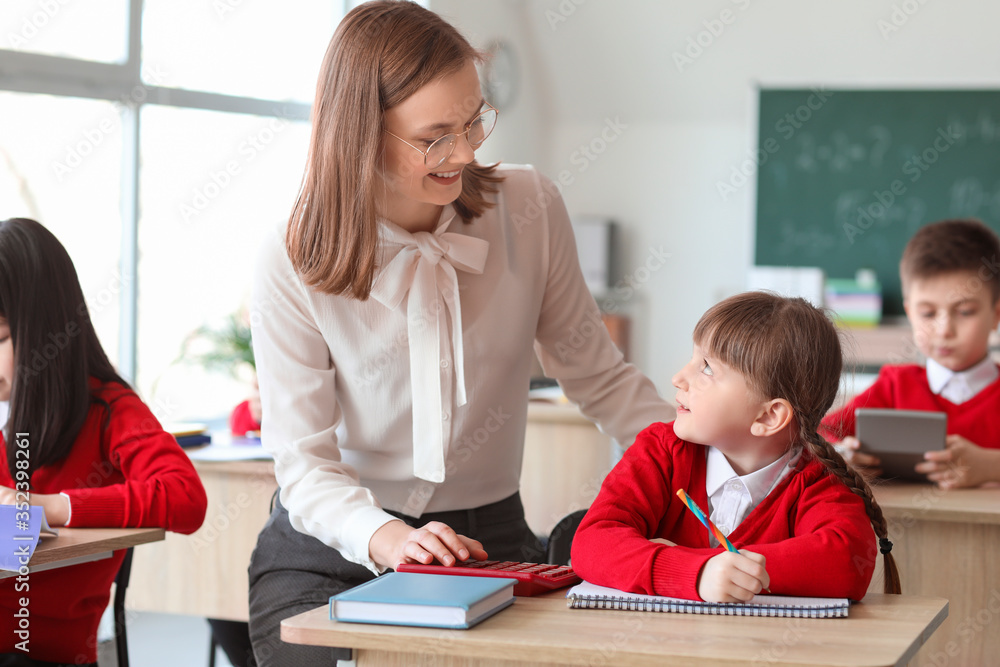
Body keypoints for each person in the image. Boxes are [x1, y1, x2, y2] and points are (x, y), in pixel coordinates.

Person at [247, 1, 672, 663]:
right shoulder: (291, 257)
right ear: (361, 132)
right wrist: (388, 539)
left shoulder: (528, 207)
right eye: (435, 136)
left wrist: (709, 466)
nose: (468, 151)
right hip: (334, 549)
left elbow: (600, 376)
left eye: (475, 120)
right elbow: (304, 466)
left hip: (487, 541)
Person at [571, 292, 900, 603]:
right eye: (693, 358)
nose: (678, 378)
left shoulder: (817, 483)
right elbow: (592, 543)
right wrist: (698, 574)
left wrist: (708, 565)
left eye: (708, 369)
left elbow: (846, 562)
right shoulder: (660, 451)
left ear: (769, 416)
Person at [0, 218, 208, 666]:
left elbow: (185, 497)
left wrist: (49, 506)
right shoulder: (9, 420)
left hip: (40, 655)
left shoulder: (109, 408)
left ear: (42, 331)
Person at [824, 219, 1000, 488]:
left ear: (996, 315)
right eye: (928, 314)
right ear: (910, 313)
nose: (944, 330)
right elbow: (822, 434)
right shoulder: (895, 385)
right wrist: (843, 453)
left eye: (964, 312)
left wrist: (989, 466)